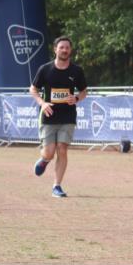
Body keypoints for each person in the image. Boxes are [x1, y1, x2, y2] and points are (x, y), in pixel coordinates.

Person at [30, 36, 88, 198]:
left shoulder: (77, 71)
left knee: (62, 149)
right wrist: (42, 103)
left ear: (70, 50)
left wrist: (76, 98)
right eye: (61, 47)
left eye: (67, 48)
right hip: (49, 116)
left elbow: (84, 91)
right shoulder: (45, 69)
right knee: (49, 152)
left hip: (68, 116)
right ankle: (44, 160)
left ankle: (57, 186)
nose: (64, 50)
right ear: (55, 49)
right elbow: (33, 89)